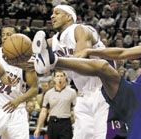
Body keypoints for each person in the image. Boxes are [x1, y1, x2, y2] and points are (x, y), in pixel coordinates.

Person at [32, 23, 141, 139]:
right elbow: (122, 53)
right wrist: (89, 50)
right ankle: (52, 60)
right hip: (132, 93)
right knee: (103, 67)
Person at [33, 4, 110, 139]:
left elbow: (82, 61)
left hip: (105, 92)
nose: (52, 16)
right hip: (84, 95)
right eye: (52, 13)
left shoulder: (80, 29)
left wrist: (53, 61)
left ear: (69, 17)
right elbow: (29, 51)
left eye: (57, 13)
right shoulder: (55, 41)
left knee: (103, 136)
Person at [0, 26, 38, 139]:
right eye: (3, 35)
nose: (5, 37)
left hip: (17, 111)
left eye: (9, 34)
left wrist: (18, 101)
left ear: (17, 37)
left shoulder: (27, 59)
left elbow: (34, 89)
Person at [34, 70, 76, 139]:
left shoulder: (72, 92)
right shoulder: (48, 93)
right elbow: (43, 111)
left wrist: (78, 124)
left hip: (65, 123)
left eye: (61, 76)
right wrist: (38, 128)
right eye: (57, 76)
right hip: (52, 123)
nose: (59, 78)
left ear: (65, 77)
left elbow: (75, 110)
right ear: (54, 78)